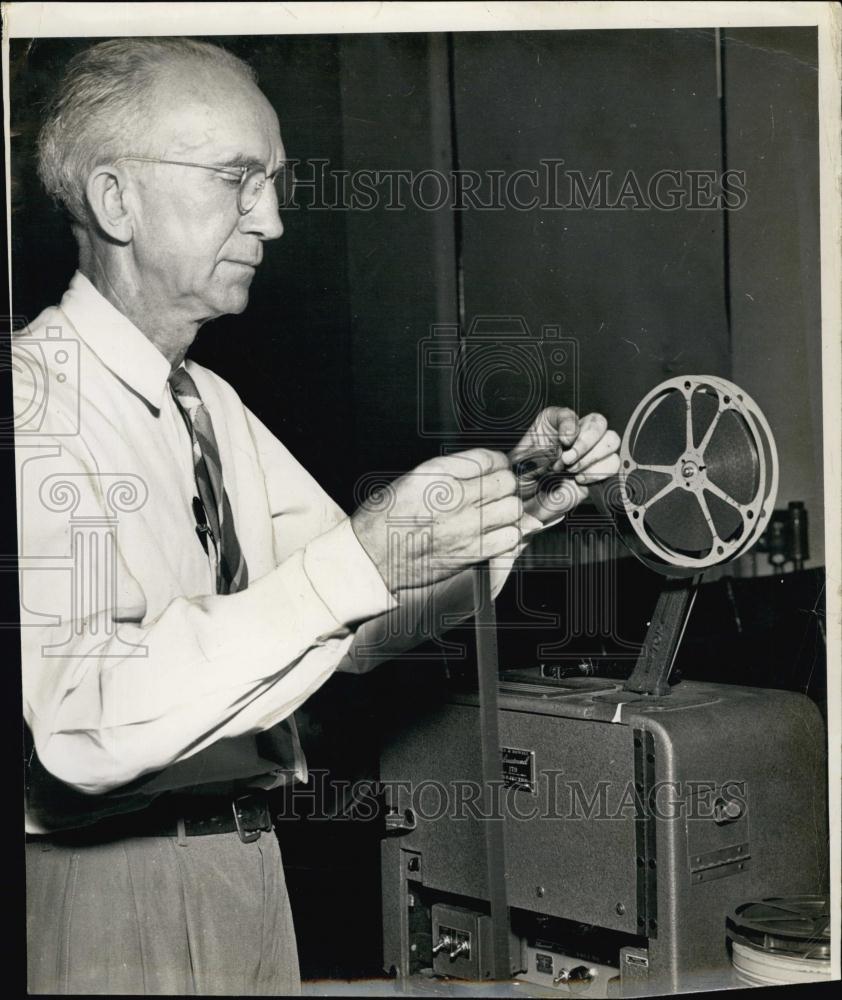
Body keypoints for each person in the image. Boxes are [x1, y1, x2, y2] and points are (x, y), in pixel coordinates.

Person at [13, 37, 621, 995]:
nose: (274, 220)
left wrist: (508, 507)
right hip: (112, 890)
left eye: (275, 181)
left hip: (246, 870)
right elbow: (81, 723)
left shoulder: (209, 404)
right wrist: (365, 555)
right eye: (237, 178)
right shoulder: (32, 408)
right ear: (114, 198)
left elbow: (351, 629)